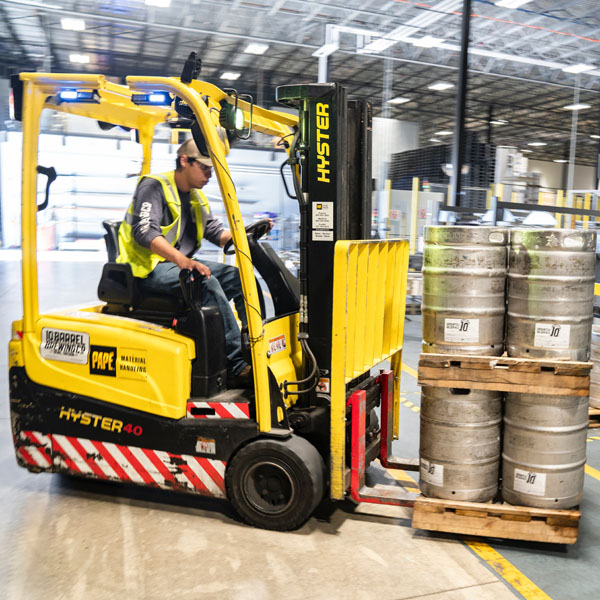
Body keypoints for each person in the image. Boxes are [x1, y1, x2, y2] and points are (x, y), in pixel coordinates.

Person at [116, 137, 252, 385]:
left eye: (211, 169)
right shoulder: (154, 186)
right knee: (205, 281)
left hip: (176, 265)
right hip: (148, 269)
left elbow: (215, 233)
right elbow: (144, 231)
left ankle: (252, 344)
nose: (209, 175)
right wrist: (183, 261)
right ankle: (236, 364)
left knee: (240, 278)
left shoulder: (196, 197)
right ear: (185, 161)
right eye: (205, 168)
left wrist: (245, 235)